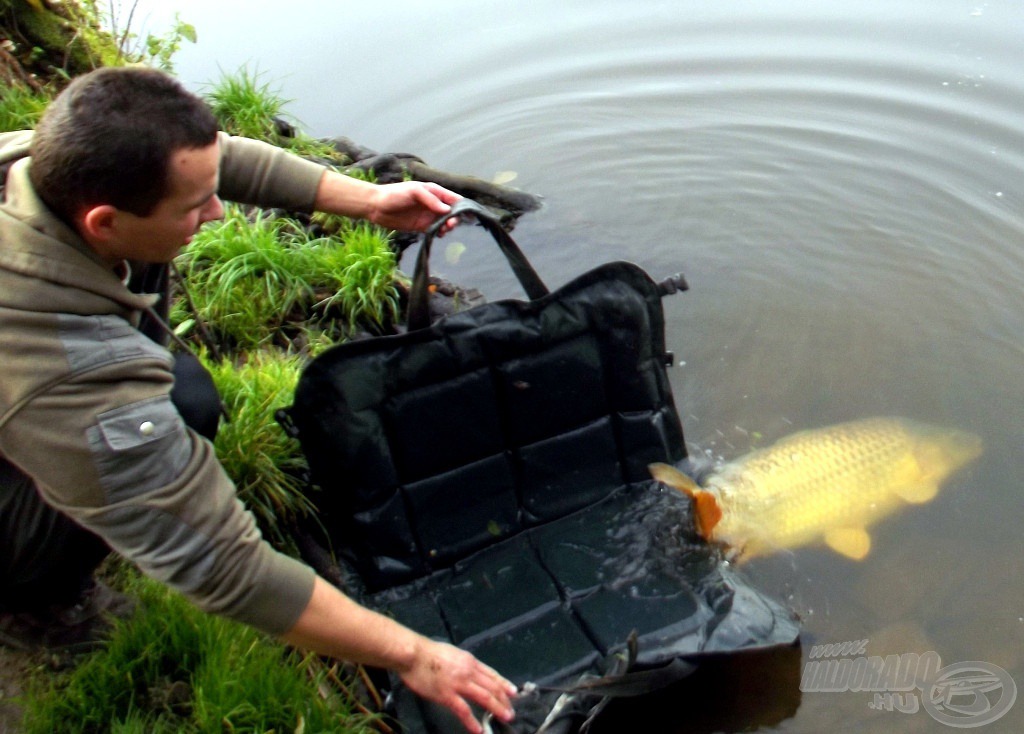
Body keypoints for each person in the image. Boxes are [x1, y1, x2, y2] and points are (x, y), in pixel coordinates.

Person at [0, 66, 516, 734]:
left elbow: (223, 162)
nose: (217, 214)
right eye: (194, 209)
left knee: (182, 398)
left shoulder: (36, 167)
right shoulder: (66, 370)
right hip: (38, 394)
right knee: (148, 434)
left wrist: (368, 200)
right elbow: (222, 567)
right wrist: (413, 653)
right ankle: (32, 606)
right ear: (101, 222)